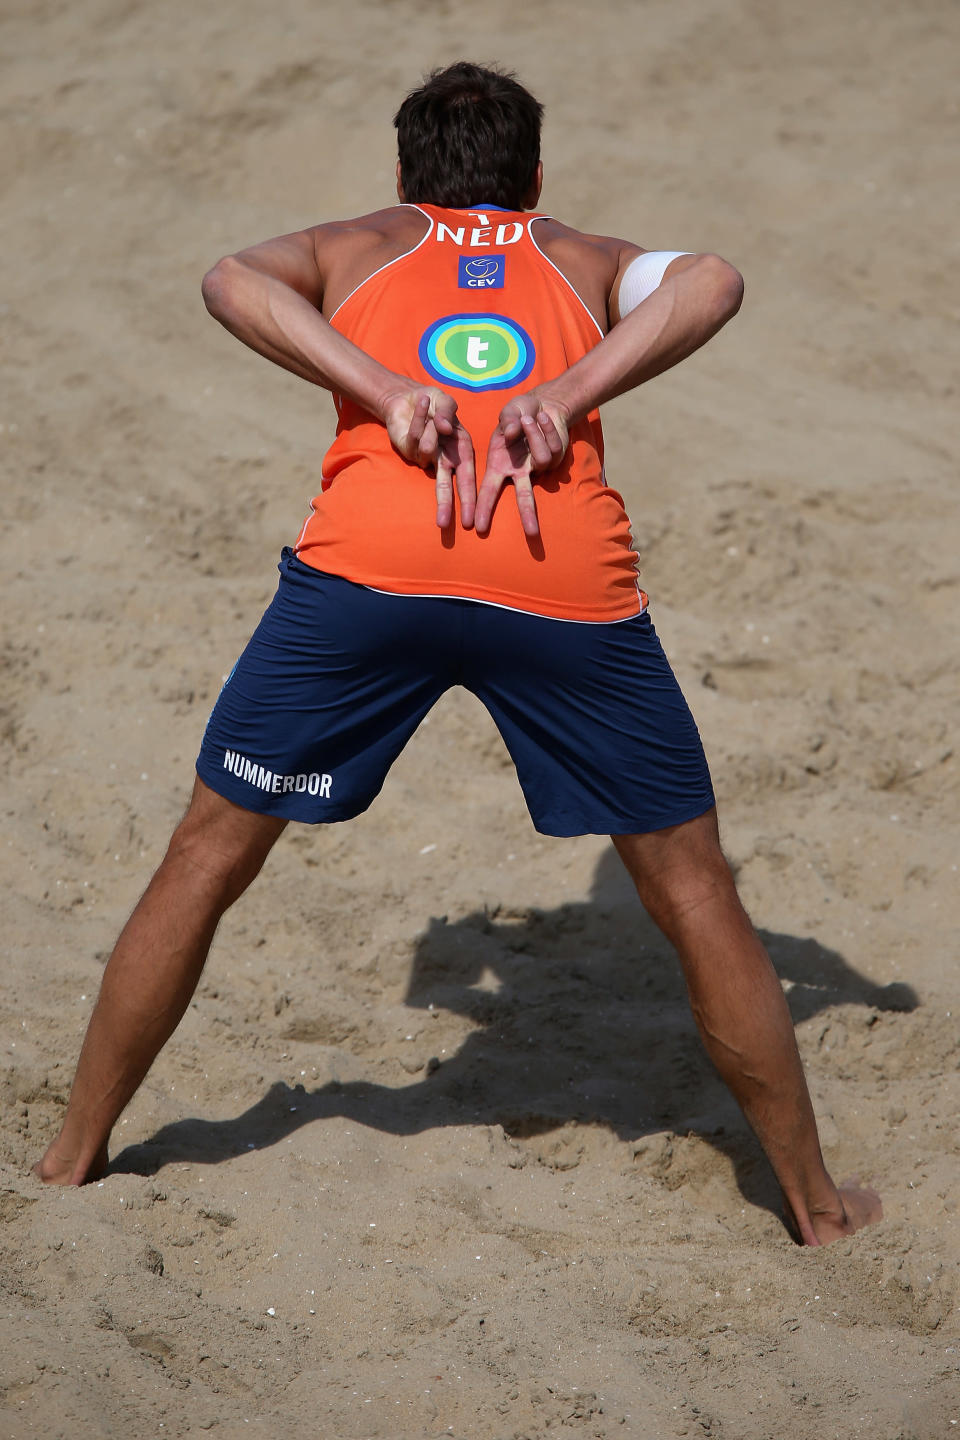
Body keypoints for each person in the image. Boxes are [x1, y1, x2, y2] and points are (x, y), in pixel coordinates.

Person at [34, 62, 880, 1246]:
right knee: (693, 890)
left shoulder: (359, 241)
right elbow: (715, 279)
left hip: (368, 577)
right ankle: (819, 1208)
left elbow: (231, 279)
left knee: (207, 856)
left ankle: (72, 1157)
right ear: (534, 177)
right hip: (562, 581)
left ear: (403, 173)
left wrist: (382, 388)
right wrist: (565, 387)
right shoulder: (582, 256)